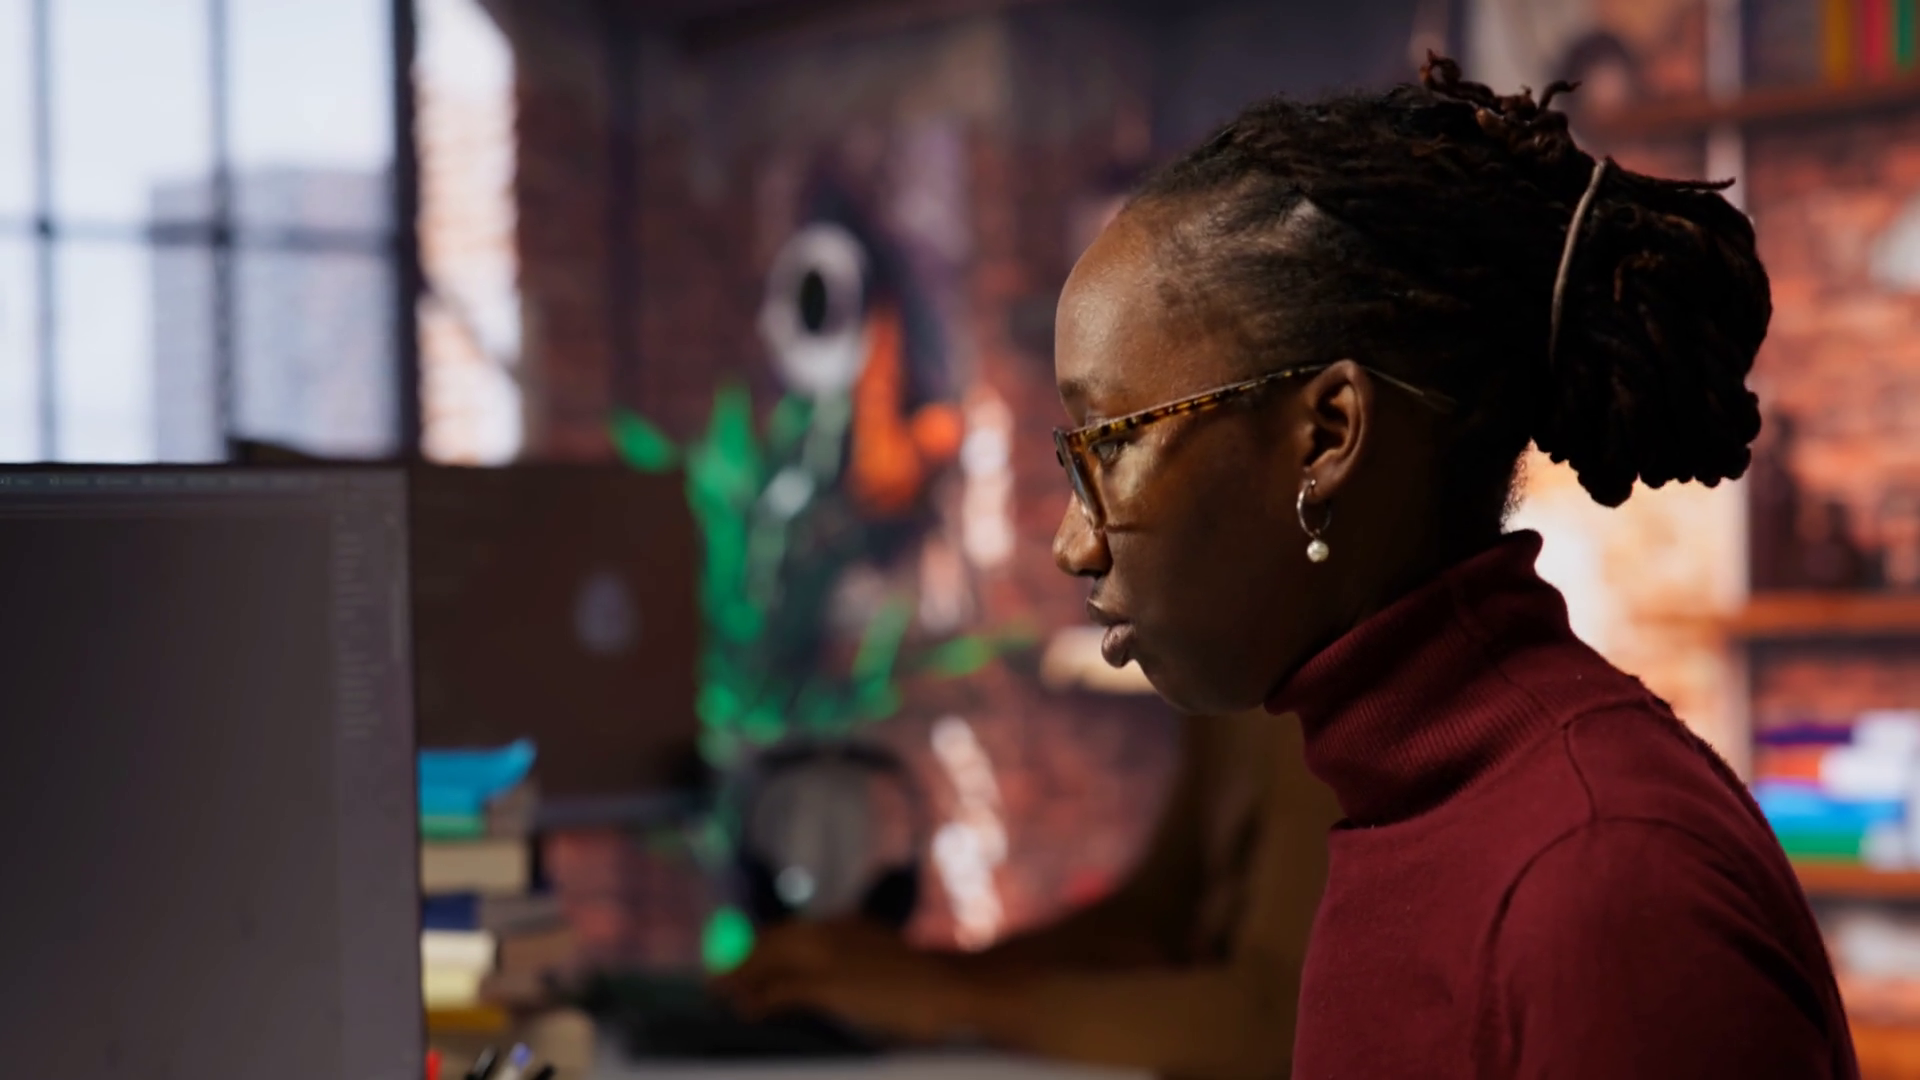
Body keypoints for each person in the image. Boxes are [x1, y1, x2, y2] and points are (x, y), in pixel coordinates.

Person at [1040, 56, 1853, 1077]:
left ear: (1326, 435)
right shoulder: (1411, 804)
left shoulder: (1599, 875)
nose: (1073, 544)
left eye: (1111, 443)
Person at [717, 707, 1338, 1078]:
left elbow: (1282, 1022)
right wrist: (913, 978)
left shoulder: (1319, 659)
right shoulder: (1227, 655)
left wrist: (956, 998)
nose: (1079, 550)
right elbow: (1157, 924)